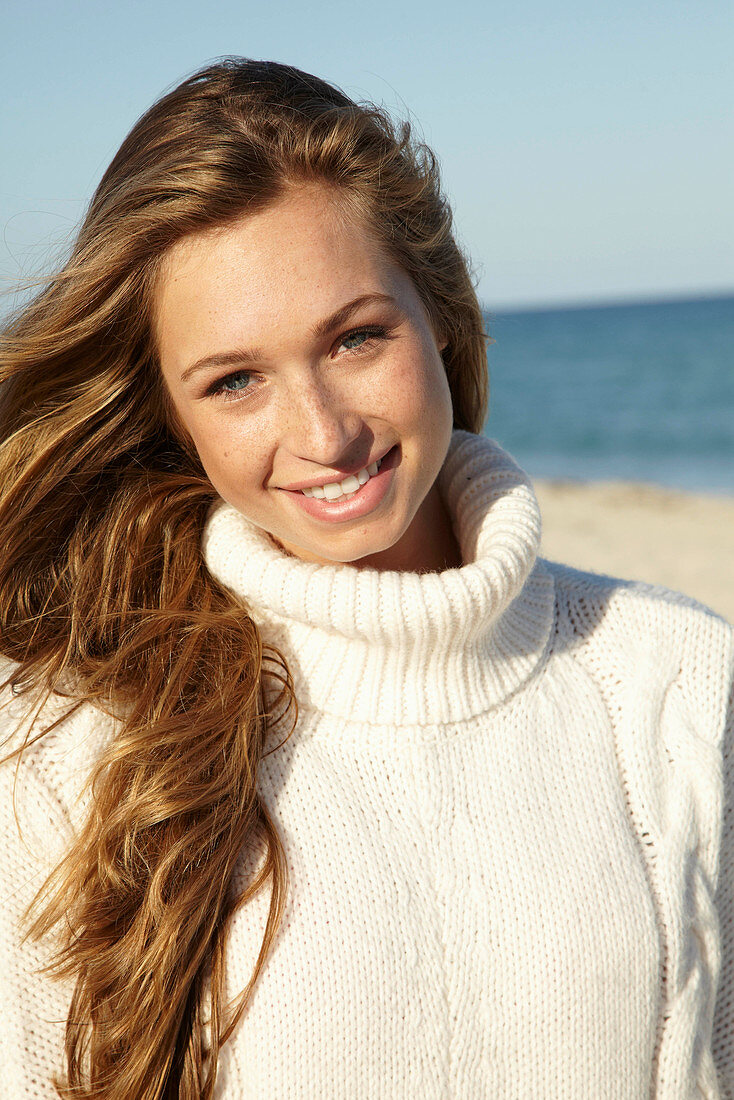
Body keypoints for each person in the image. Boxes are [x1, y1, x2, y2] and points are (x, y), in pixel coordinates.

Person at [0, 58, 732, 1100]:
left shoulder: (676, 684)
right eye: (235, 380)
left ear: (435, 311)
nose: (322, 433)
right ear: (168, 410)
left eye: (354, 337)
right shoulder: (62, 745)